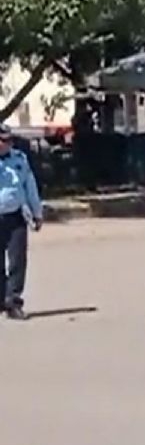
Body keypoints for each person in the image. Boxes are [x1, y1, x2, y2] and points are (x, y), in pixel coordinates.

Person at [0, 124, 43, 320]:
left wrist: (37, 212)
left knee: (18, 261)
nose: (6, 144)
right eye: (2, 140)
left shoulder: (19, 159)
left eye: (9, 140)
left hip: (16, 215)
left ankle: (13, 301)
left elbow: (30, 186)